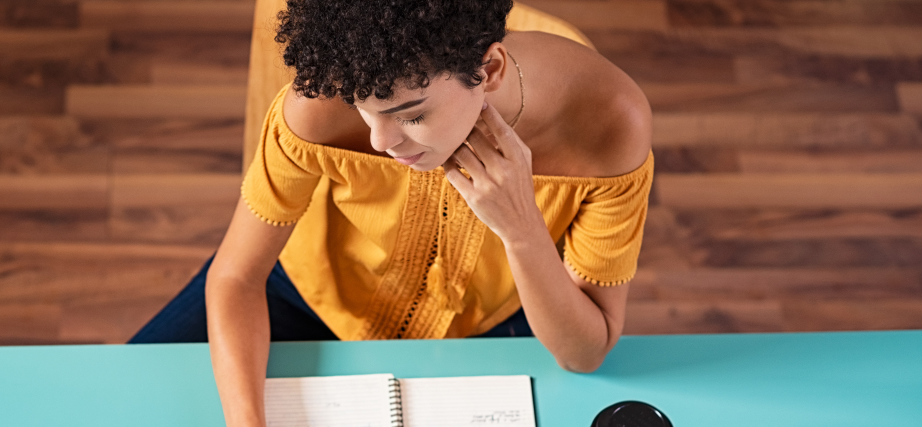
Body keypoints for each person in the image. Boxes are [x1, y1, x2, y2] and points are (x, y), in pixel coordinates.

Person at [129, 1, 654, 425]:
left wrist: (521, 230)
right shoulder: (318, 103)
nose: (381, 141)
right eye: (362, 108)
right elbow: (236, 277)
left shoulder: (611, 122)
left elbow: (586, 353)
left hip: (490, 320)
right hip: (308, 292)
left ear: (489, 69)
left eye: (412, 115)